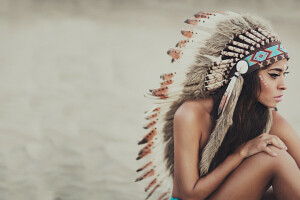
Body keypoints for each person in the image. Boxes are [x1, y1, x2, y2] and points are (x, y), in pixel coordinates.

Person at [135, 11, 300, 200]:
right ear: (245, 74)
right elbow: (190, 194)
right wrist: (241, 153)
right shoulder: (191, 114)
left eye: (283, 74)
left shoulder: (270, 120)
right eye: (273, 75)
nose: (283, 85)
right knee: (275, 157)